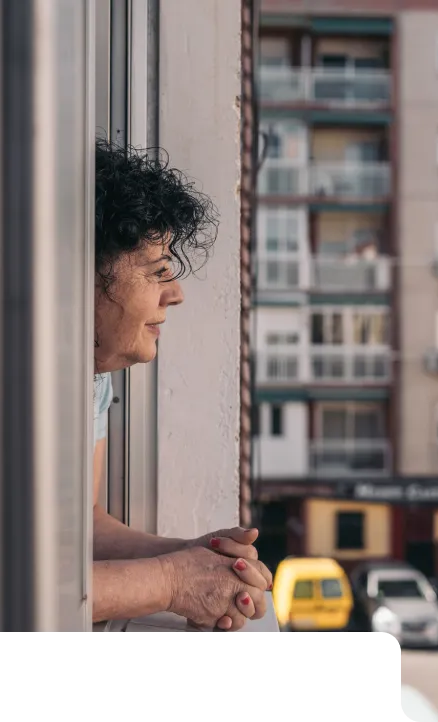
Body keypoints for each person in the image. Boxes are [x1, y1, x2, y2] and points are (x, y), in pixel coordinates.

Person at [92, 139, 272, 630]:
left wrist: (197, 557)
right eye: (159, 271)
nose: (176, 294)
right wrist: (172, 581)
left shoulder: (89, 379)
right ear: (77, 276)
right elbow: (8, 581)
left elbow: (79, 525)